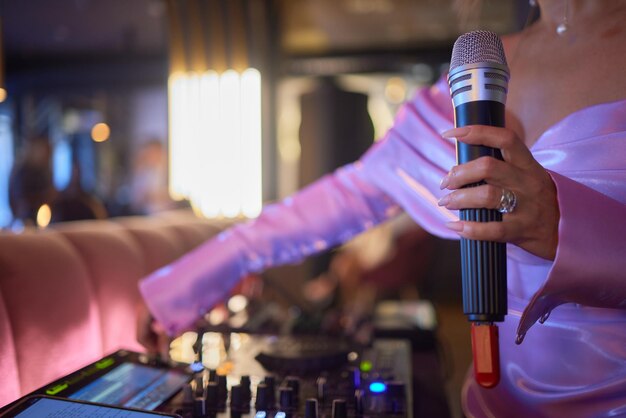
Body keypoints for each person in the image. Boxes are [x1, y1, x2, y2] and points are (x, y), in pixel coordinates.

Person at [137, 1, 626, 416]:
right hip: (493, 395)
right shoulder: (479, 66)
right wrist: (185, 283)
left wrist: (569, 230)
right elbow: (348, 194)